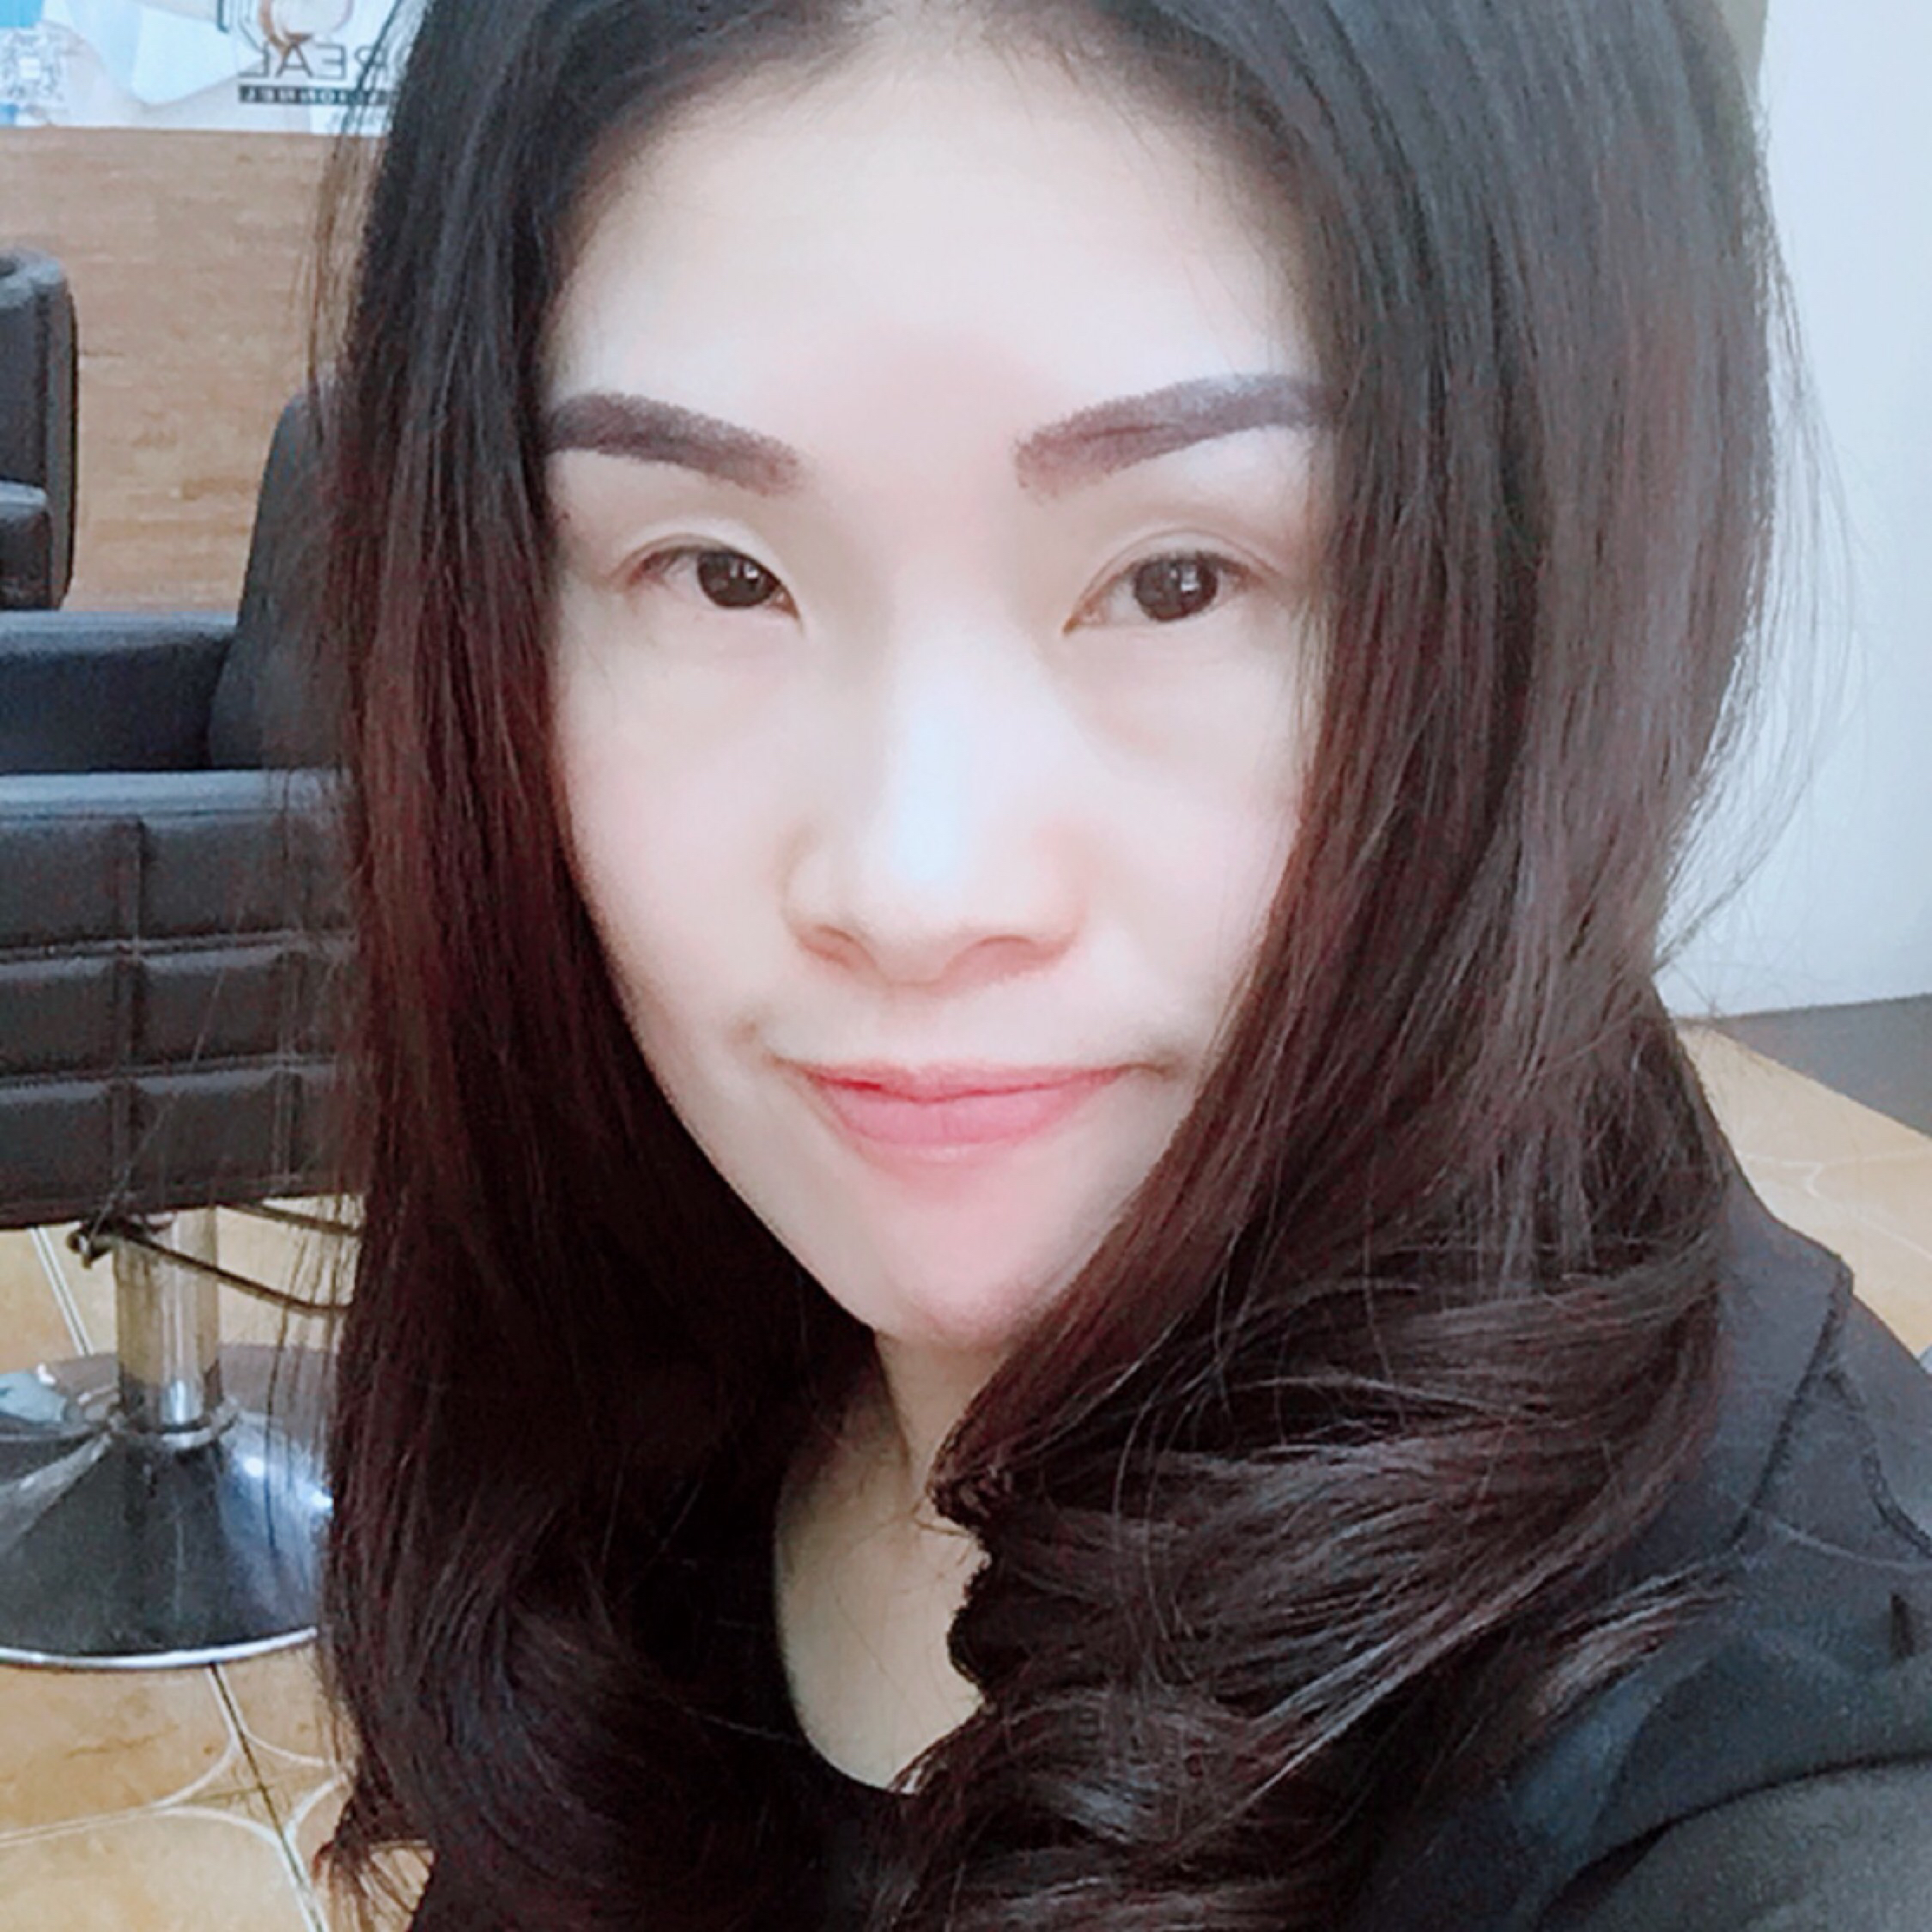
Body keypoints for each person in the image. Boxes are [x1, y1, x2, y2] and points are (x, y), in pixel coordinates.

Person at [309, 2, 1932, 1928]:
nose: (912, 887)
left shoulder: (1786, 1820)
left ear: (1550, 597)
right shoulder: (669, 1338)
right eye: (718, 573)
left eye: (1180, 579)